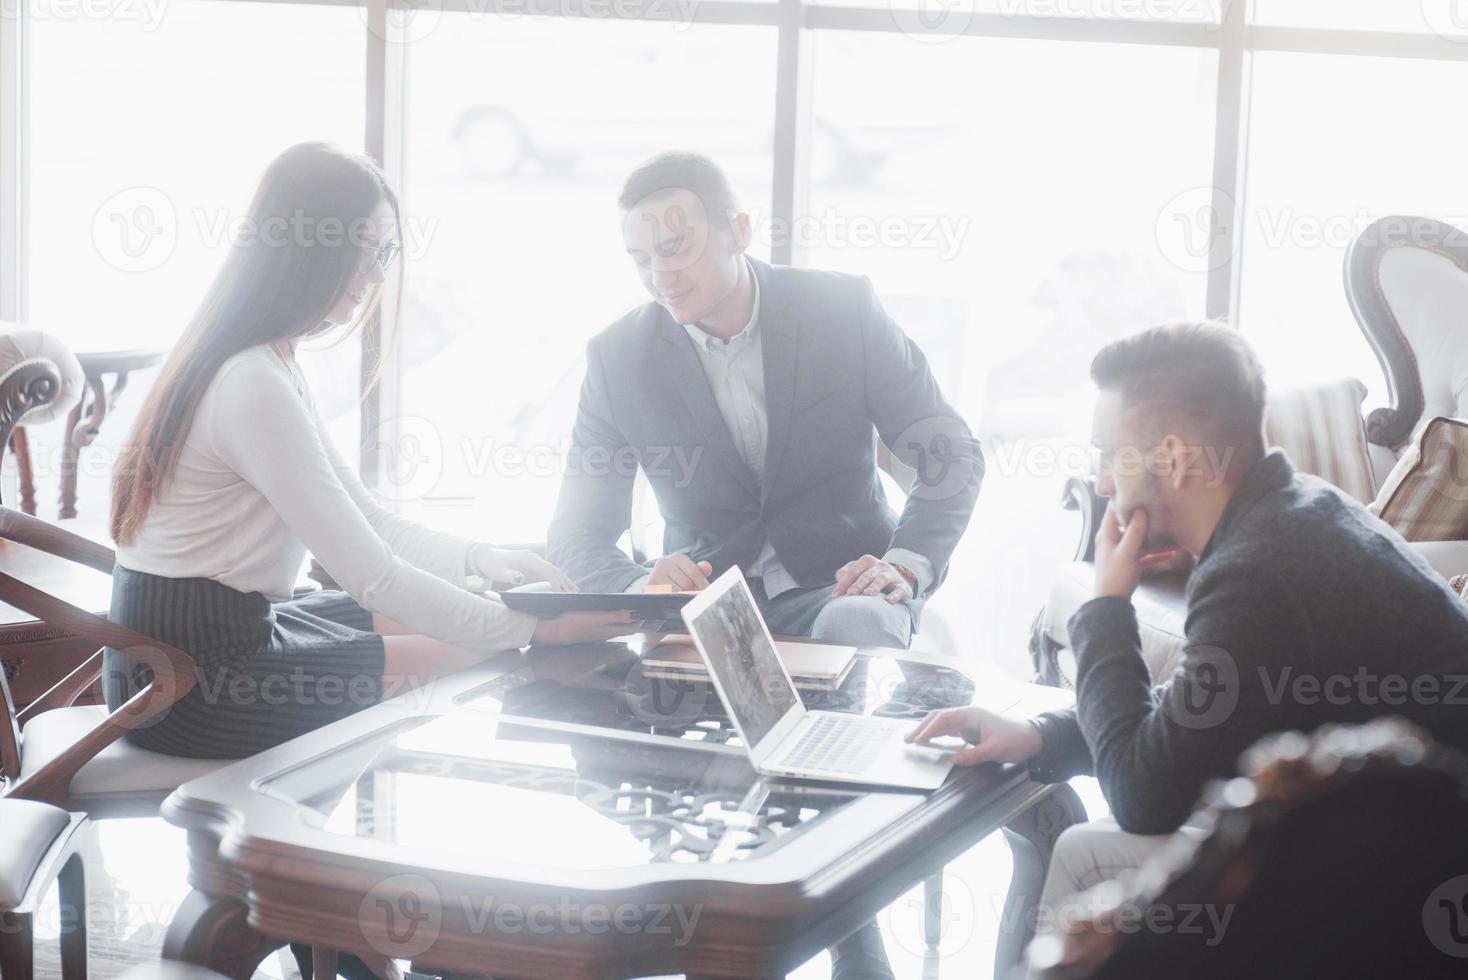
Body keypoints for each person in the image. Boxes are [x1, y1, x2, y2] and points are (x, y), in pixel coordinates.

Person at [907, 321, 1468, 938]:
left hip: (1409, 885)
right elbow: (1188, 732)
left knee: (1087, 856)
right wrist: (1040, 735)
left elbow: (1143, 796)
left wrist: (1106, 606)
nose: (1099, 483)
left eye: (1106, 453)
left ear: (1172, 458)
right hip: (1400, 840)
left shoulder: (1258, 571)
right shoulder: (1297, 510)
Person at [105, 142, 629, 762]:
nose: (376, 276)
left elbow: (370, 521)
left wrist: (486, 560)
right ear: (308, 249)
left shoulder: (266, 360)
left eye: (386, 255)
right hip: (191, 681)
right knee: (488, 646)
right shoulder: (250, 384)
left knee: (474, 622)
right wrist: (534, 627)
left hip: (212, 637)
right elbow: (372, 574)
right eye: (366, 253)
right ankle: (327, 838)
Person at [547, 150, 982, 651]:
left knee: (857, 624)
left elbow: (953, 454)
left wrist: (905, 564)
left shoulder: (842, 310)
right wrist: (641, 588)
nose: (660, 276)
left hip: (843, 589)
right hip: (709, 603)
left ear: (739, 231)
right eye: (642, 260)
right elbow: (576, 531)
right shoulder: (617, 357)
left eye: (676, 248)